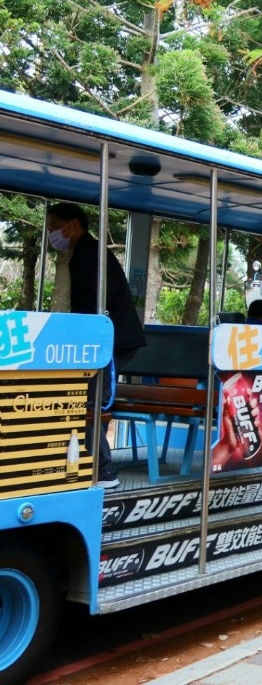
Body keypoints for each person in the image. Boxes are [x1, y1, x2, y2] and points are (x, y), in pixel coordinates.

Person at [46, 202, 147, 489]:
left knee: (89, 400)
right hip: (105, 339)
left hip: (112, 341)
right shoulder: (81, 253)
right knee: (87, 397)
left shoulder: (89, 254)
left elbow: (94, 303)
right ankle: (91, 463)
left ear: (73, 225)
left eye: (54, 227)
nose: (52, 234)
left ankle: (104, 471)